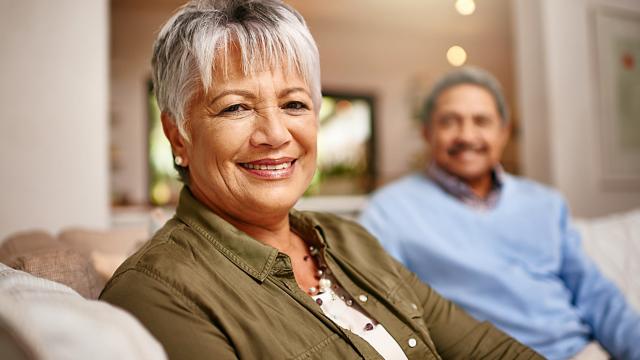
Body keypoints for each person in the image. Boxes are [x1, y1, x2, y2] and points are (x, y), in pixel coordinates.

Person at [99, 1, 541, 359]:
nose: (275, 135)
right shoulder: (156, 292)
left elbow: (487, 348)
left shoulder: (351, 240)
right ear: (178, 134)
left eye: (294, 104)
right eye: (235, 107)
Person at [359, 66, 640, 360]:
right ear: (427, 133)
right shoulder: (388, 211)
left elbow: (597, 297)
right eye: (449, 122)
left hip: (577, 352)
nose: (467, 136)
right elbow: (383, 313)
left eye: (481, 121)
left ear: (503, 132)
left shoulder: (545, 202)